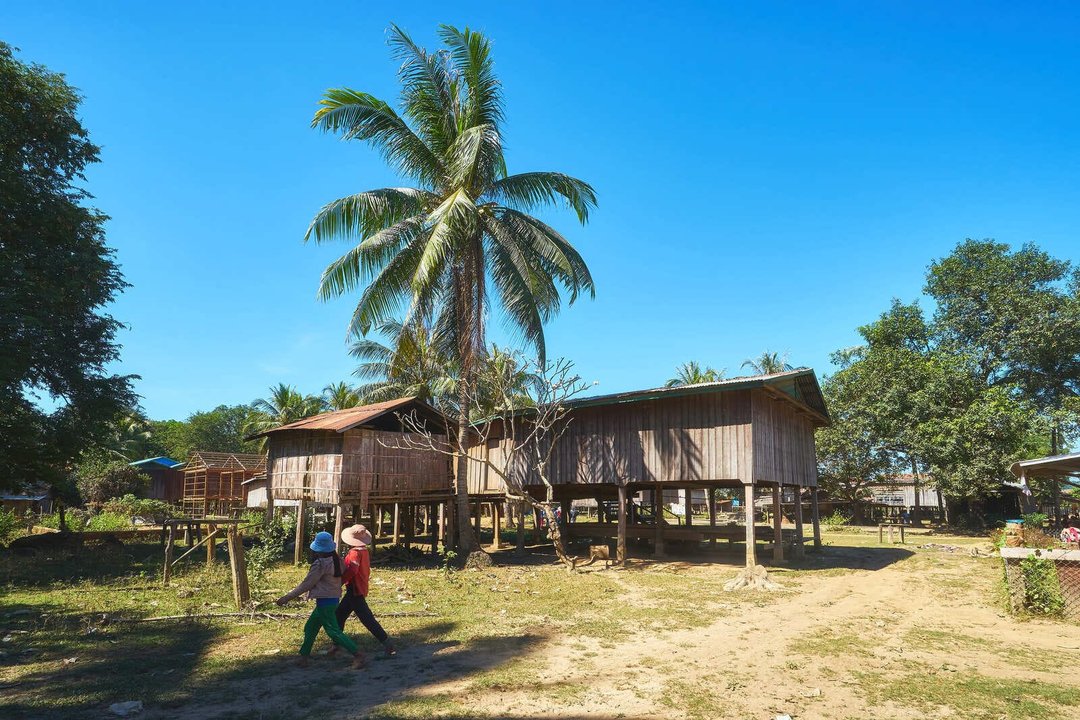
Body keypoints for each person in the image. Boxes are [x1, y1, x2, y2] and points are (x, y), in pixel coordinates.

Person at [276, 530, 366, 668]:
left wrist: (287, 598)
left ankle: (357, 654)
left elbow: (307, 584)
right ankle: (303, 657)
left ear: (317, 549)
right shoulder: (337, 560)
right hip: (332, 599)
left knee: (333, 631)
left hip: (325, 602)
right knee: (310, 628)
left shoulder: (320, 564)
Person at [330, 524, 396, 657]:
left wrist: (340, 582)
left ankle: (388, 644)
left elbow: (353, 570)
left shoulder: (355, 552)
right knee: (339, 615)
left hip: (355, 589)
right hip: (356, 588)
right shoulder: (364, 551)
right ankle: (336, 645)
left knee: (367, 619)